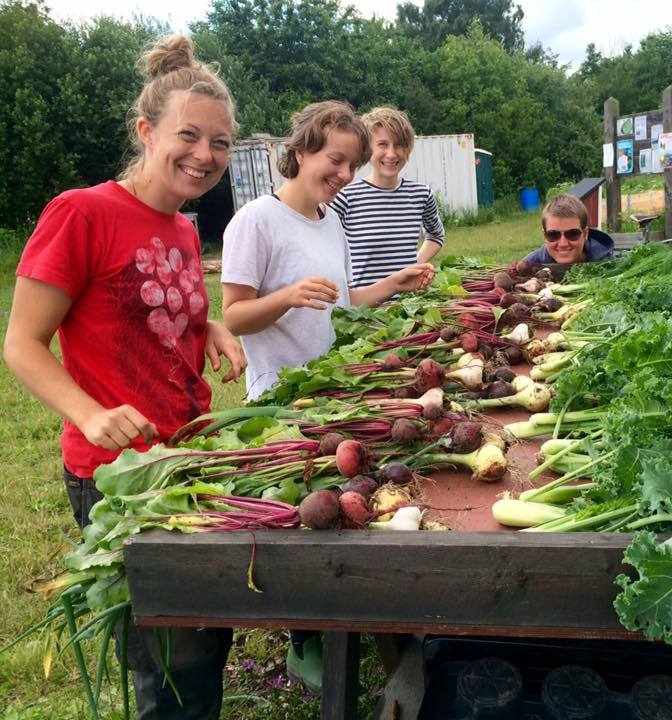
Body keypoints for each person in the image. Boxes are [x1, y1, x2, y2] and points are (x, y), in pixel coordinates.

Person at [4, 35, 245, 719]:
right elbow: (21, 343)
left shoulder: (182, 229)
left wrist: (212, 328)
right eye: (189, 136)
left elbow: (162, 311)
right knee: (167, 663)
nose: (205, 155)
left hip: (191, 457)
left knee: (206, 641)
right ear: (147, 131)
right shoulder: (81, 213)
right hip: (122, 473)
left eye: (220, 144)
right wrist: (88, 413)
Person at [220, 100, 434, 691]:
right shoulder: (255, 221)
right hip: (282, 400)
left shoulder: (330, 220)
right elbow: (233, 317)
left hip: (332, 390)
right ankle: (303, 640)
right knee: (304, 519)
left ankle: (357, 620)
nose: (342, 174)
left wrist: (397, 282)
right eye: (333, 160)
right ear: (302, 149)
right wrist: (286, 296)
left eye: (350, 165)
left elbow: (347, 301)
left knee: (336, 507)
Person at [329, 106, 445, 288]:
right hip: (364, 311)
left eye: (399, 145)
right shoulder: (345, 198)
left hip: (407, 309)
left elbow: (436, 235)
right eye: (382, 144)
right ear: (367, 150)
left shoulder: (421, 195)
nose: (391, 154)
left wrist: (413, 265)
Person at [522, 194, 615, 265]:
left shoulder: (608, 265)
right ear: (545, 236)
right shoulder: (530, 264)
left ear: (585, 234)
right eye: (553, 235)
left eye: (572, 234)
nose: (563, 244)